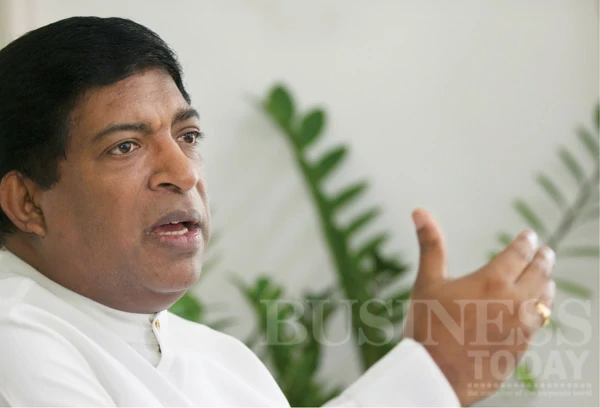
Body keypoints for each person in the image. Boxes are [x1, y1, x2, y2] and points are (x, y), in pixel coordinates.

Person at [0, 16, 555, 407]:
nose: (183, 172)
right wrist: (433, 375)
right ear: (27, 203)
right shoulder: (14, 338)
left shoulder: (225, 362)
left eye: (187, 136)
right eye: (126, 146)